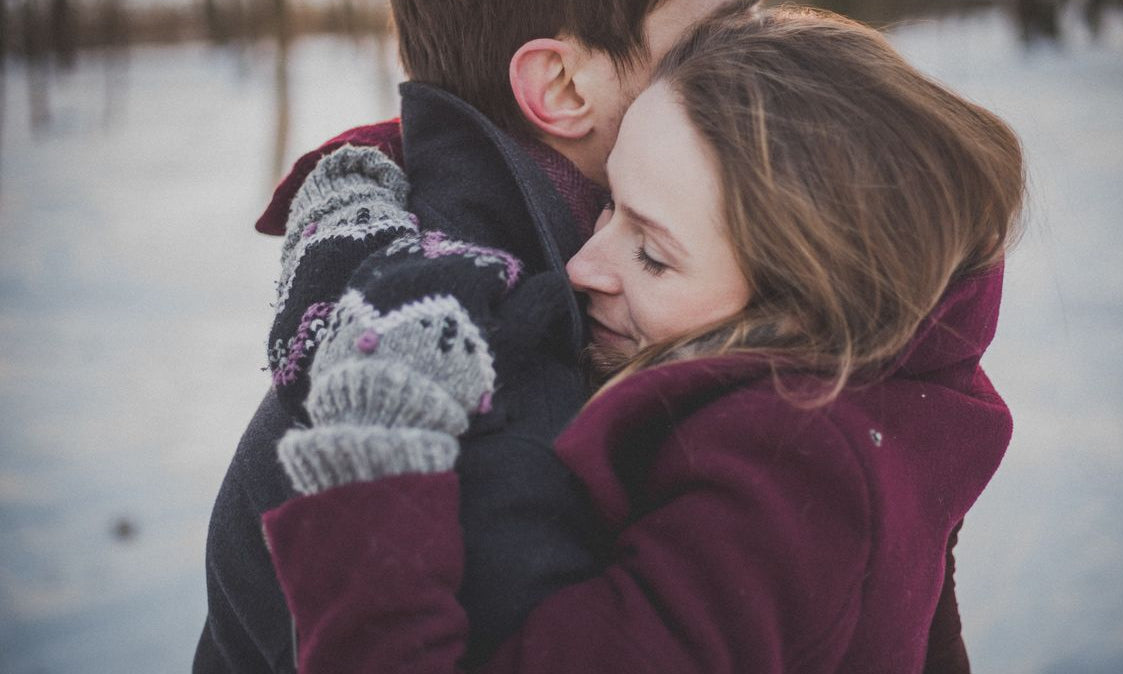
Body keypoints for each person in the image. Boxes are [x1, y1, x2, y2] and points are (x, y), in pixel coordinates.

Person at [259, 5, 1026, 672]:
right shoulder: (886, 399)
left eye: (653, 254)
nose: (583, 267)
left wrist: (369, 464)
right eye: (608, 205)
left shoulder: (779, 494)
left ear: (804, 304)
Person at [194, 1, 760, 671]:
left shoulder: (482, 273)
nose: (760, 53)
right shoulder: (494, 392)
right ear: (563, 87)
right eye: (719, 32)